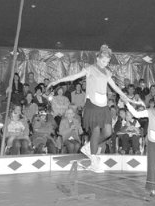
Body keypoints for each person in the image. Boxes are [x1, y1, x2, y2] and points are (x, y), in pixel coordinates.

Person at [47, 44, 136, 173]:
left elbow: (115, 87)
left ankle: (89, 147)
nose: (106, 63)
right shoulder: (90, 69)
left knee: (108, 132)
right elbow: (73, 77)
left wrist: (124, 96)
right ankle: (93, 161)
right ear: (98, 58)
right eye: (104, 61)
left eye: (108, 61)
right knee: (95, 131)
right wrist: (56, 82)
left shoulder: (107, 72)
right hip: (92, 105)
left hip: (103, 106)